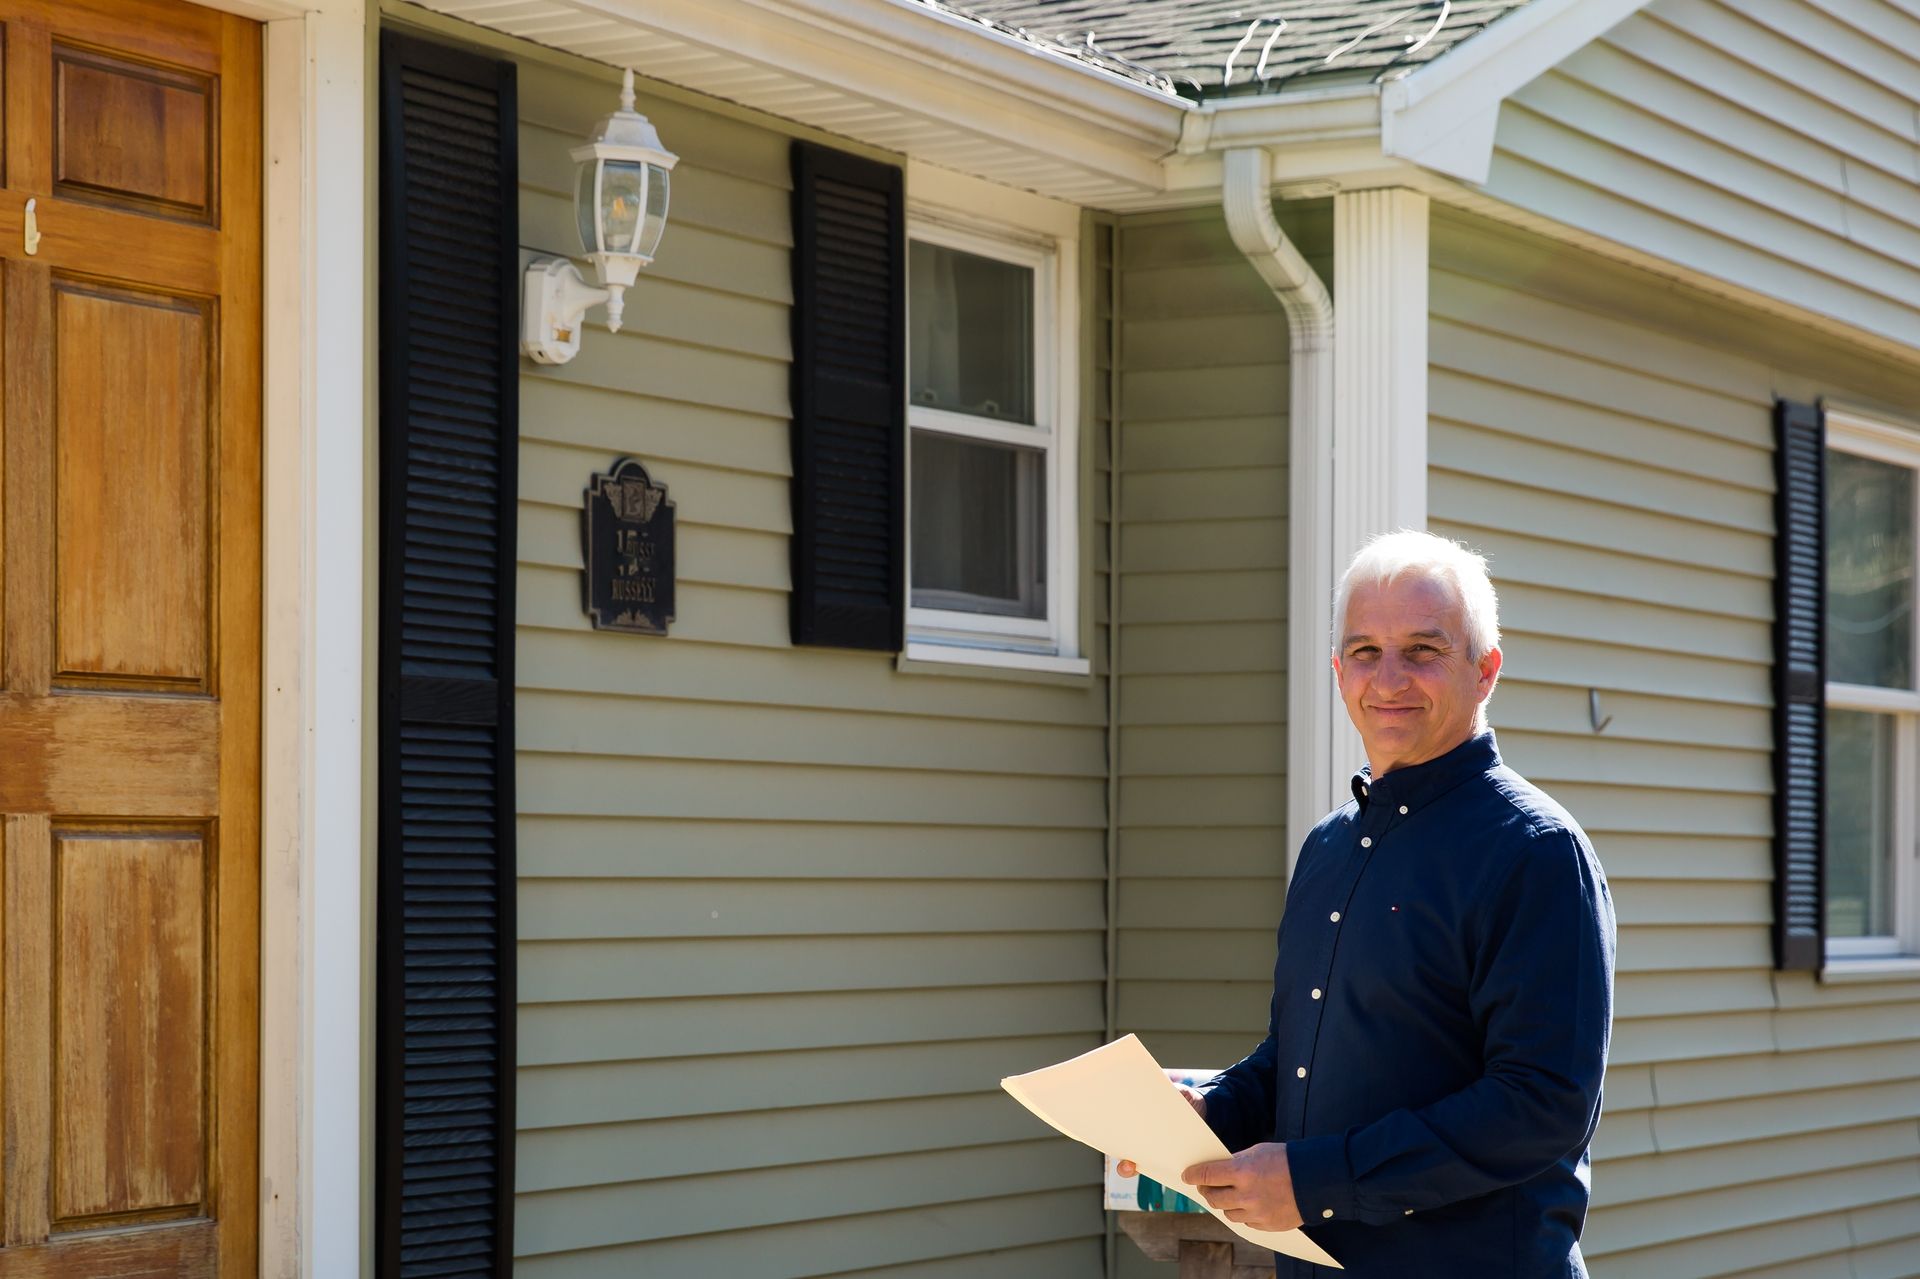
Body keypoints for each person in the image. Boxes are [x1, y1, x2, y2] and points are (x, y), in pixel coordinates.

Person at [1120, 529, 1616, 1277]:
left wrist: (1315, 1181)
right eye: (1364, 651)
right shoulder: (1328, 847)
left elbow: (1538, 1105)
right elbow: (1300, 1058)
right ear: (1337, 670)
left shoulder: (1537, 852)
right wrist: (1212, 1108)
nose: (1388, 678)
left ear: (1486, 671)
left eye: (1423, 650)